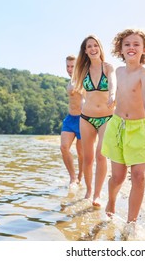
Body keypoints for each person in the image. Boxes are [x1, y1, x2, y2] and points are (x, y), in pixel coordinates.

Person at [101, 28, 145, 225]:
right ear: (120, 49)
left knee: (138, 177)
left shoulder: (144, 74)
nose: (131, 47)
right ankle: (111, 201)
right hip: (117, 127)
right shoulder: (117, 72)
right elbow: (112, 88)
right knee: (118, 178)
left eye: (136, 44)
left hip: (139, 128)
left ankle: (131, 223)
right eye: (127, 44)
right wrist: (111, 97)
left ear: (144, 49)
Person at [71, 35, 115, 207]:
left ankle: (97, 195)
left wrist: (112, 94)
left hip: (106, 117)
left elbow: (114, 82)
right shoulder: (82, 70)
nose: (92, 49)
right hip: (86, 118)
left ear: (100, 47)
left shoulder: (108, 67)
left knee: (101, 155)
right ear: (85, 50)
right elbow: (76, 89)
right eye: (89, 46)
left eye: (95, 45)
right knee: (88, 158)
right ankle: (89, 191)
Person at [60, 55, 84, 188]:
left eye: (72, 66)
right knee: (64, 147)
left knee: (81, 153)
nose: (69, 69)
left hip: (83, 120)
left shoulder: (83, 80)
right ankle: (72, 177)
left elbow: (86, 95)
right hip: (70, 118)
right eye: (67, 66)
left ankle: (80, 176)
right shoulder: (69, 82)